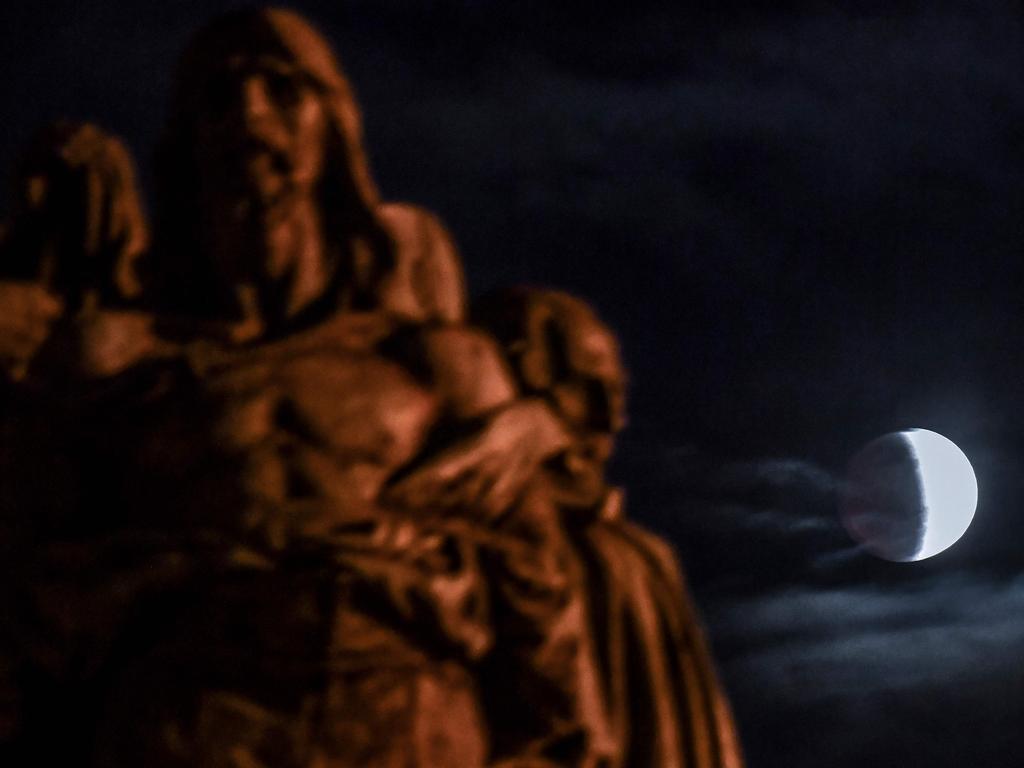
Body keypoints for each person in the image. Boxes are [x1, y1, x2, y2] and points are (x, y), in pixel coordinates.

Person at [0, 9, 607, 767]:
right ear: (186, 147)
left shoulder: (441, 367)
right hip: (186, 729)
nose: (249, 113)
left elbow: (544, 630)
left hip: (406, 726)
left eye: (282, 90)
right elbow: (24, 606)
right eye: (218, 98)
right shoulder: (112, 363)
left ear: (334, 132)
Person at [475, 287, 745, 768]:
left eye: (615, 391)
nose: (610, 418)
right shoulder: (460, 535)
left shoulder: (641, 562)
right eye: (583, 387)